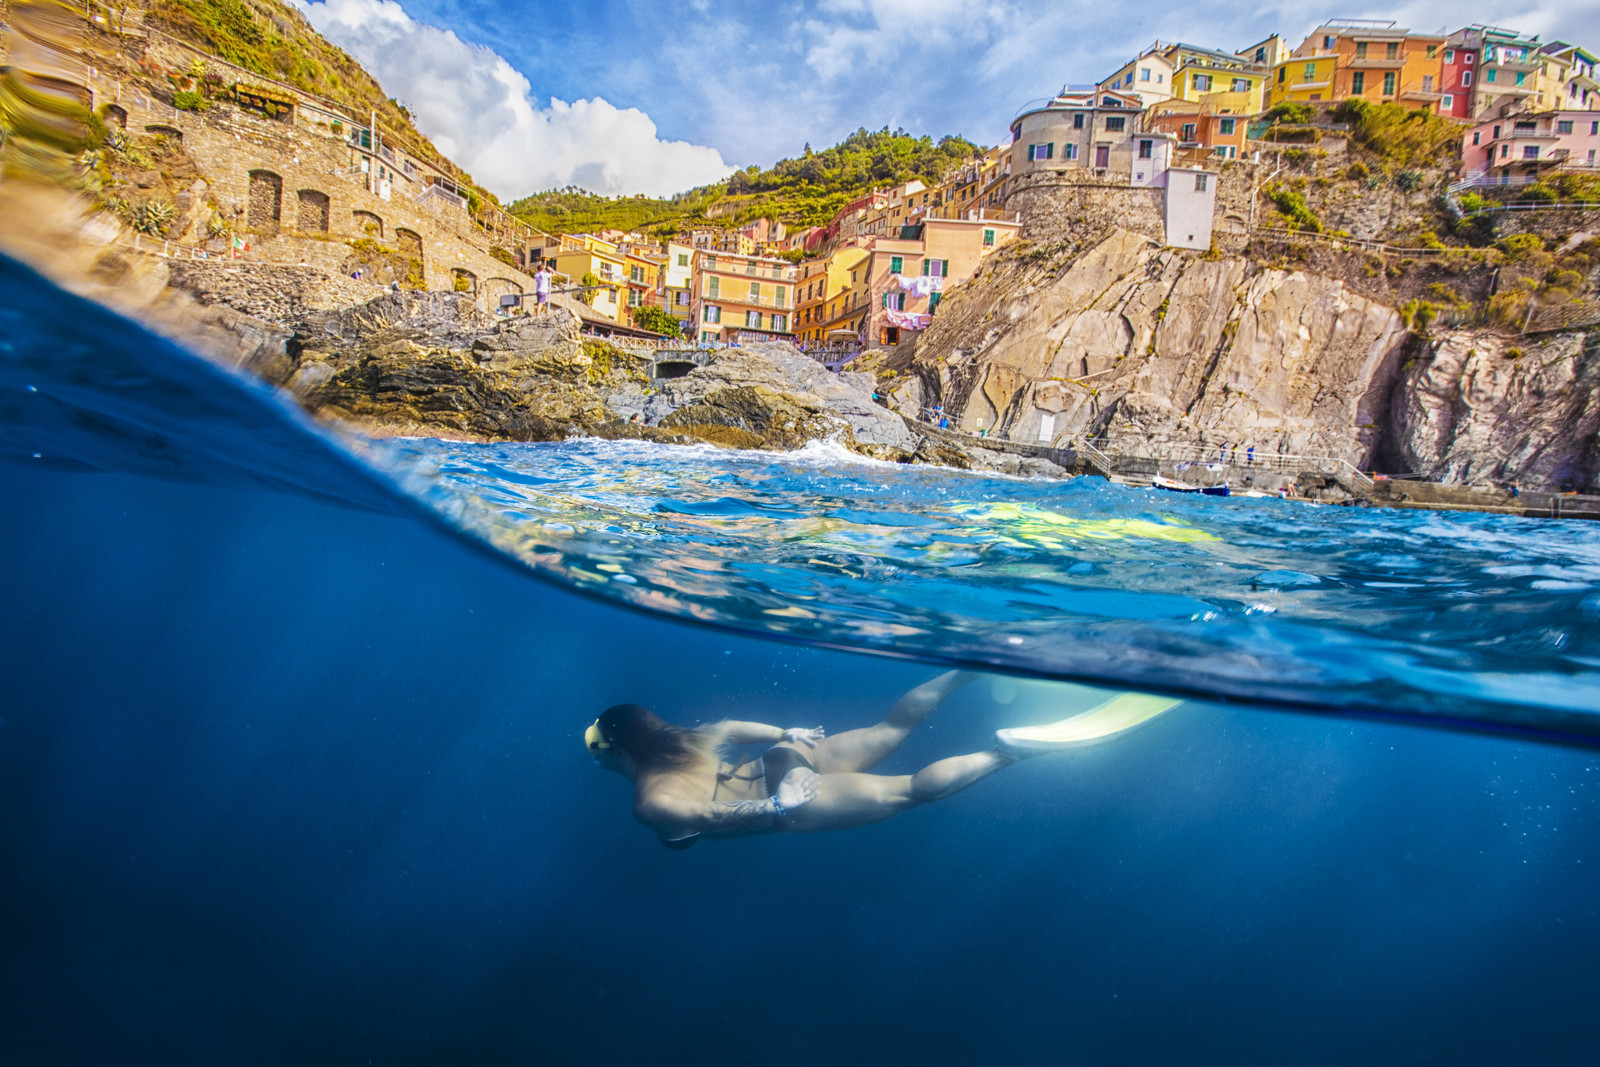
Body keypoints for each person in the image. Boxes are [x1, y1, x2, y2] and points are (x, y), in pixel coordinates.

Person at [585, 671, 1129, 847]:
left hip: (786, 799)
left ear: (616, 752)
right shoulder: (680, 740)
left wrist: (778, 805)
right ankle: (968, 669)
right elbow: (729, 727)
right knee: (888, 729)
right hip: (783, 754)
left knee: (908, 791)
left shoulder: (650, 799)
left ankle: (1003, 754)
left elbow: (704, 817)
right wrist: (784, 731)